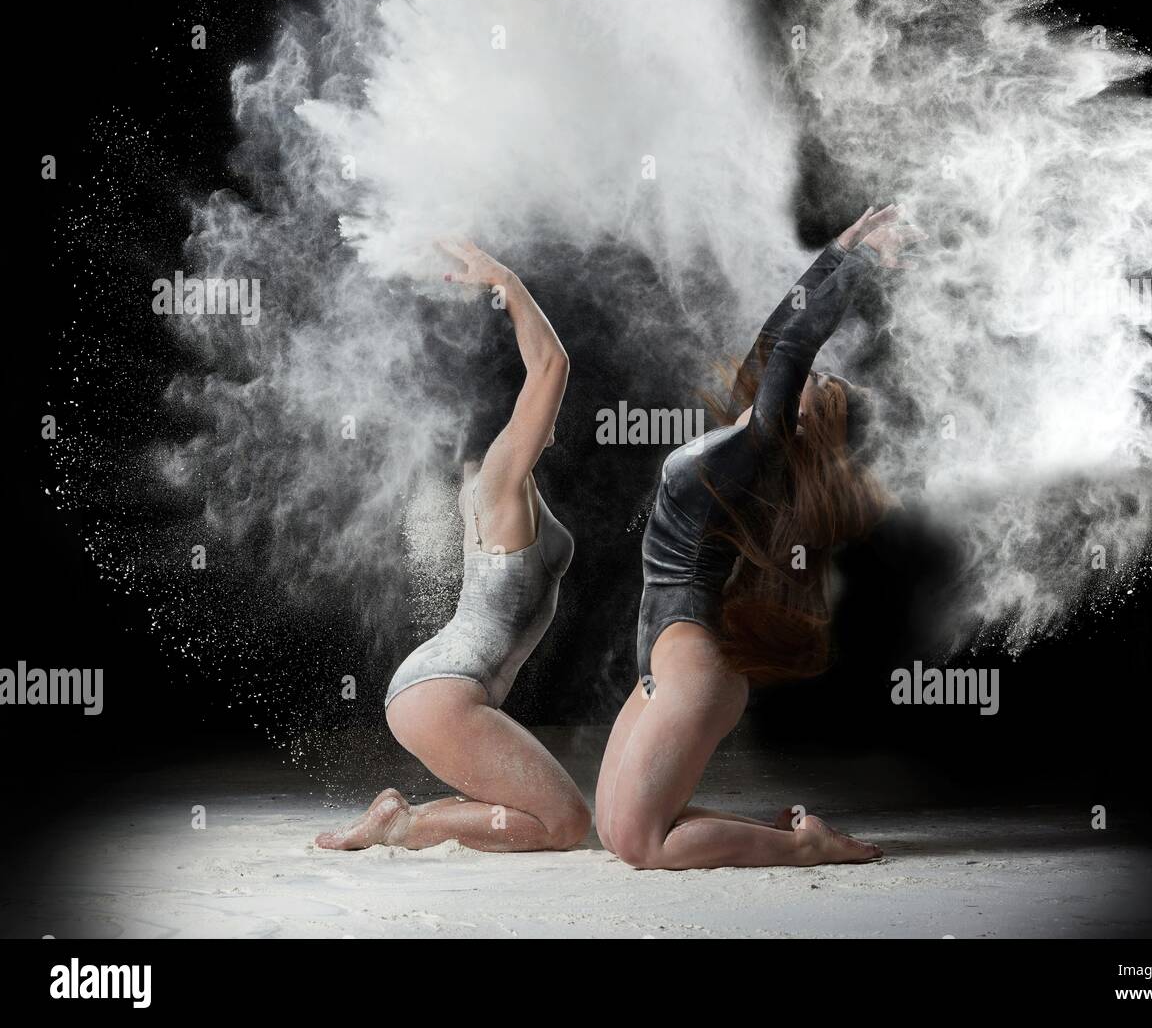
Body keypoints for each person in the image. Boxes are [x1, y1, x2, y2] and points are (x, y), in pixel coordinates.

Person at [596, 205, 924, 869]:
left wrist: (862, 264)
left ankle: (804, 843)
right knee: (613, 828)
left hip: (696, 667)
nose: (784, 381)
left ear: (793, 422)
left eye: (797, 390)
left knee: (640, 843)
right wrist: (841, 246)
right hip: (663, 661)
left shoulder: (759, 445)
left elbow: (797, 346)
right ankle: (781, 831)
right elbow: (781, 340)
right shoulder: (744, 436)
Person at [316, 240, 589, 853]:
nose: (550, 420)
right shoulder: (497, 480)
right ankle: (404, 827)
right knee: (564, 824)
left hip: (441, 686)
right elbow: (550, 366)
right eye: (536, 414)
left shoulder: (493, 482)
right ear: (514, 418)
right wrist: (506, 280)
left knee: (526, 808)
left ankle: (395, 812)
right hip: (442, 693)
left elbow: (540, 377)